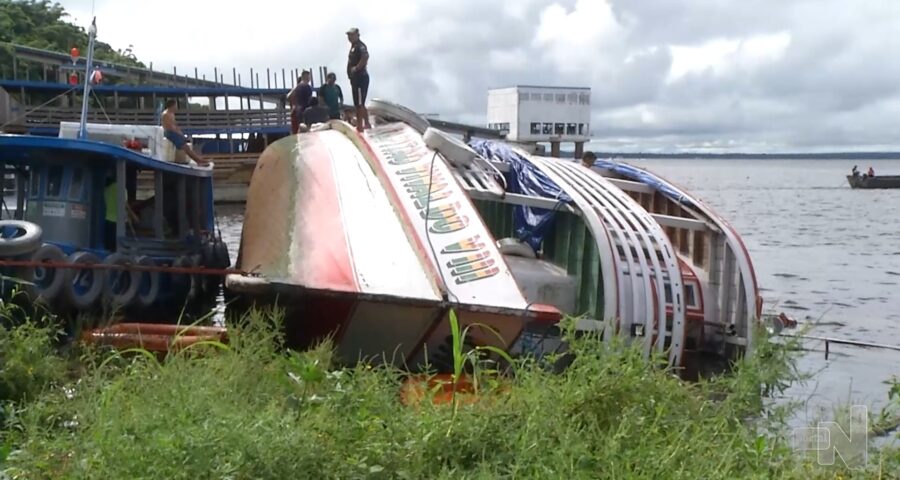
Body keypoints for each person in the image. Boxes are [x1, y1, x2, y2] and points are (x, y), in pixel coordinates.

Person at [161, 100, 209, 166]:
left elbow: (175, 125)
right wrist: (179, 134)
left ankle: (198, 160)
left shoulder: (171, 114)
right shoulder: (166, 114)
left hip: (174, 132)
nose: (176, 107)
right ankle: (198, 160)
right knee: (186, 147)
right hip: (169, 133)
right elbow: (170, 127)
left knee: (186, 146)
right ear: (172, 106)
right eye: (176, 106)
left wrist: (181, 133)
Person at [346, 27, 371, 132]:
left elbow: (365, 57)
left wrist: (356, 68)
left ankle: (360, 125)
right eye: (348, 35)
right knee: (359, 102)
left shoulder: (360, 46)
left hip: (361, 78)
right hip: (355, 79)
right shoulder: (353, 47)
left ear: (357, 35)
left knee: (359, 103)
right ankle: (367, 123)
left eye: (351, 35)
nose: (349, 37)